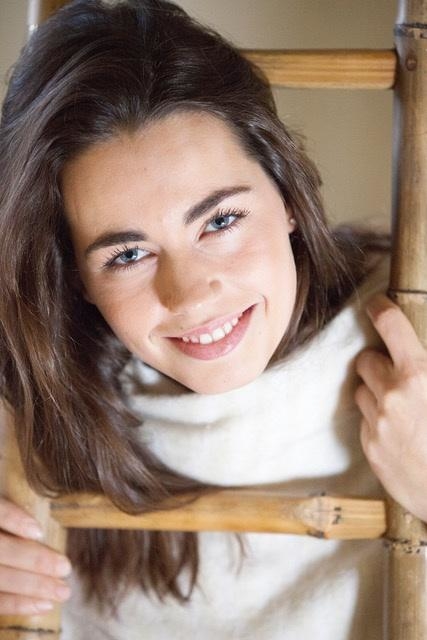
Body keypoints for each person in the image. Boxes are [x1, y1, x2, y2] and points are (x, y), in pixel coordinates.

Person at [0, 1, 427, 638]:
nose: (190, 295)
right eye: (128, 254)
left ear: (288, 196)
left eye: (220, 221)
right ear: (79, 279)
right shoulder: (35, 416)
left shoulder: (416, 342)